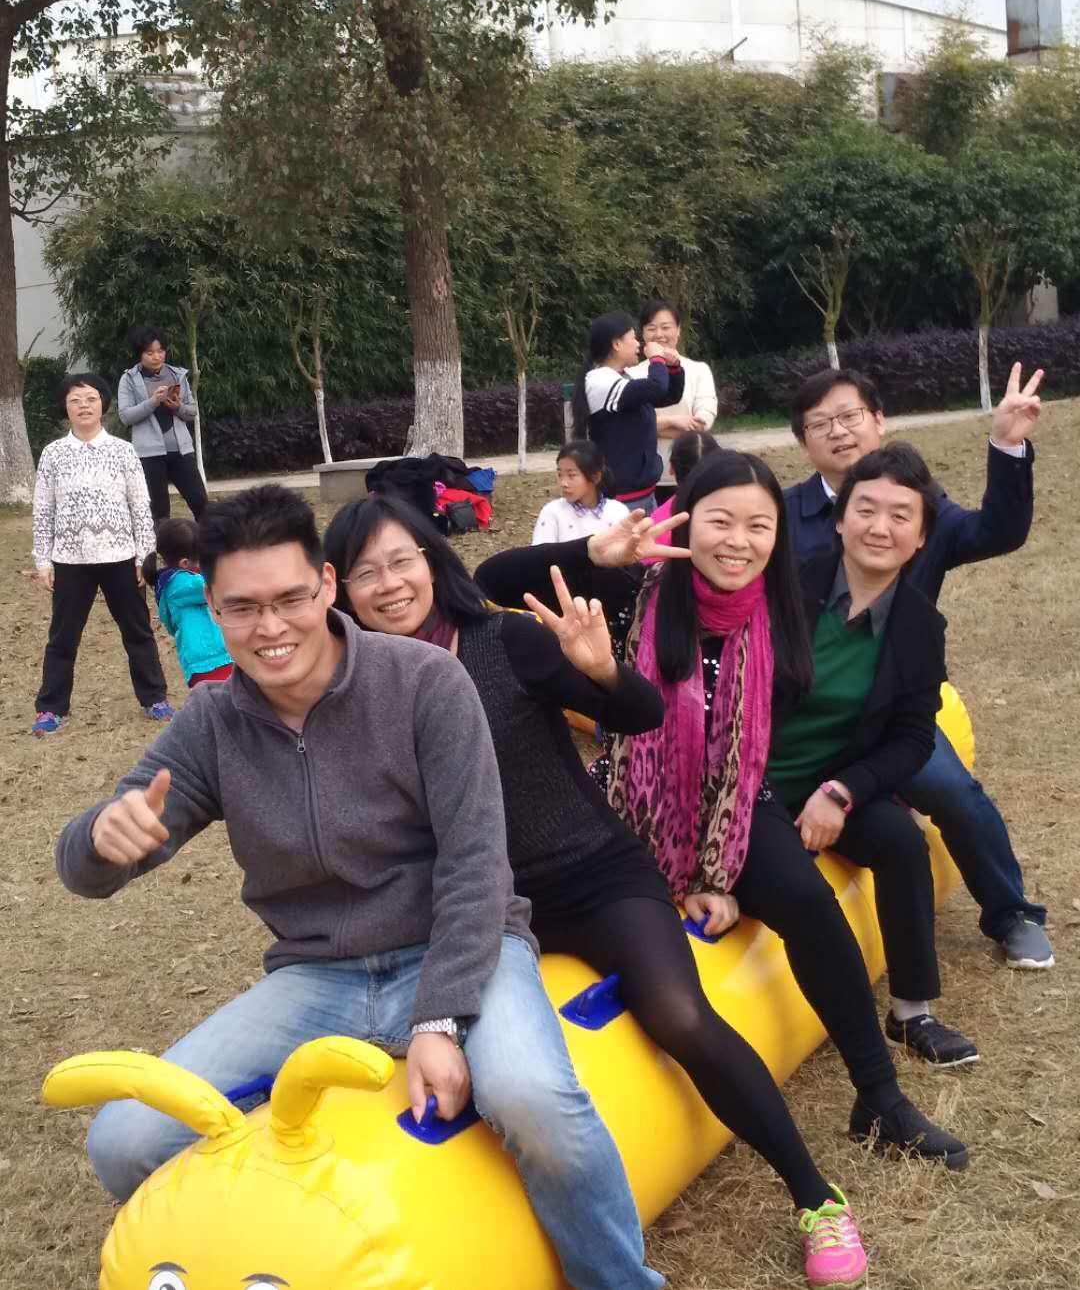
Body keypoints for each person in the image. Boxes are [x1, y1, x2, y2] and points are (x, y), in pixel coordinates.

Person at [54, 484, 662, 1290]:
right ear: (213, 609)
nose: (270, 628)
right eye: (242, 609)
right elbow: (93, 858)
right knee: (122, 1140)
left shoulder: (423, 681)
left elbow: (478, 861)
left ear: (325, 587)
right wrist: (100, 839)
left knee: (534, 1100)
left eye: (288, 599)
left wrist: (439, 1016)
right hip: (318, 976)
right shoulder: (212, 722)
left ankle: (620, 1281)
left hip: (457, 949)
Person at [327, 492, 868, 1288]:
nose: (389, 584)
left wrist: (601, 667)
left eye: (401, 560)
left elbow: (639, 712)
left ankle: (816, 1197)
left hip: (591, 875)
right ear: (340, 589)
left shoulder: (505, 640)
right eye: (366, 572)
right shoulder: (349, 688)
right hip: (481, 906)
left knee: (681, 1015)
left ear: (431, 563)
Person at [476, 453, 968, 1171]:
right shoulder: (633, 586)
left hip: (734, 799)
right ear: (687, 522)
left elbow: (761, 742)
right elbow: (490, 582)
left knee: (809, 901)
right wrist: (592, 553)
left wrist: (721, 865)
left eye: (758, 526)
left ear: (778, 535)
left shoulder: (784, 605)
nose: (738, 541)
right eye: (720, 521)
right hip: (627, 801)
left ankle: (880, 1096)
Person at [785, 364, 1053, 972]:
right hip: (800, 718)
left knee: (951, 791)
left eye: (850, 416)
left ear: (878, 420)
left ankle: (1011, 912)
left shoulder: (921, 504)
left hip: (891, 713)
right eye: (821, 423)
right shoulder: (782, 515)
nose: (839, 431)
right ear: (803, 441)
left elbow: (996, 531)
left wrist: (1006, 444)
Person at [768, 442, 977, 1068]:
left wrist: (843, 792)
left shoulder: (919, 626)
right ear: (840, 519)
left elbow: (913, 738)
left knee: (902, 842)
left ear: (921, 537)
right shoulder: (784, 587)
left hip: (833, 781)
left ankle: (912, 1010)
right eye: (866, 509)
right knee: (799, 890)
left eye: (900, 515)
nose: (880, 527)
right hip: (749, 781)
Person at [31, 372, 174, 737]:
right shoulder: (53, 454)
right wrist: (43, 560)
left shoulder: (123, 451)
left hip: (121, 558)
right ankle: (51, 708)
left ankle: (154, 698)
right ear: (65, 407)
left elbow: (140, 506)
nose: (84, 406)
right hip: (70, 560)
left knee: (137, 631)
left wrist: (145, 556)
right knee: (62, 637)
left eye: (91, 399)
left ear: (103, 405)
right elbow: (43, 510)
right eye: (75, 400)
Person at [571, 310, 685, 516]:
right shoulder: (600, 381)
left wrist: (674, 367)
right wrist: (656, 359)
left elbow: (667, 395)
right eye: (633, 338)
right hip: (622, 499)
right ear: (617, 344)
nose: (638, 344)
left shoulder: (623, 377)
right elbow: (656, 388)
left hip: (643, 493)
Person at [118, 328, 207, 523]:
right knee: (159, 512)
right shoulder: (129, 379)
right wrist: (153, 402)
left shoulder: (177, 375)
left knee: (201, 502)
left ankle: (209, 541)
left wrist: (178, 407)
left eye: (160, 351)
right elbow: (126, 416)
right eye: (150, 353)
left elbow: (192, 412)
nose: (156, 356)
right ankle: (160, 542)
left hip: (181, 451)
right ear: (140, 354)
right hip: (149, 454)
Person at [142, 518, 233, 687]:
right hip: (209, 660)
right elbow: (218, 584)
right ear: (185, 563)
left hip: (212, 658)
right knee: (221, 700)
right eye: (203, 558)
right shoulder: (181, 584)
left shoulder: (169, 581)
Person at [628, 299, 718, 470]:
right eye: (651, 328)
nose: (659, 334)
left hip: (693, 468)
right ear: (643, 334)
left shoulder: (699, 370)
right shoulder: (631, 375)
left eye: (666, 327)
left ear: (678, 330)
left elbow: (703, 421)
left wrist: (655, 427)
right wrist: (675, 421)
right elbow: (631, 425)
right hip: (645, 470)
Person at [531, 440, 630, 544]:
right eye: (560, 475)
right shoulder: (552, 512)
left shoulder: (618, 511)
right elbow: (540, 552)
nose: (563, 483)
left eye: (571, 475)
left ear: (595, 477)